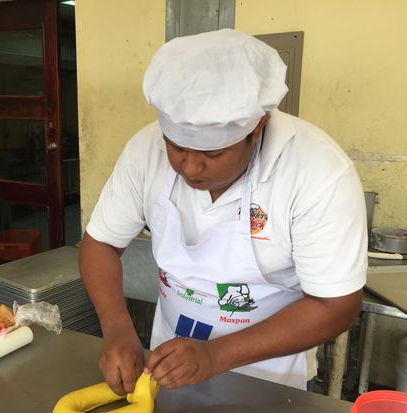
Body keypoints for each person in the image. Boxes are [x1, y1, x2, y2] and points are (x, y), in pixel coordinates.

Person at [79, 29, 367, 394]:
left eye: (213, 154)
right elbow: (100, 244)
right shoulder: (144, 151)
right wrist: (117, 328)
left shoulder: (316, 170)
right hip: (165, 366)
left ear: (258, 126)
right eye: (176, 147)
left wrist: (215, 355)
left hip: (269, 377)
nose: (190, 168)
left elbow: (335, 304)